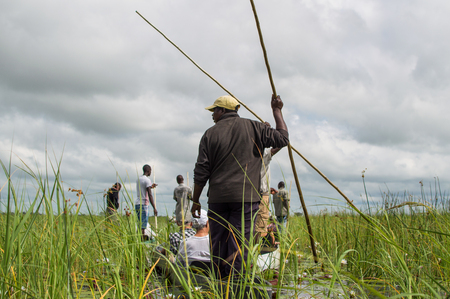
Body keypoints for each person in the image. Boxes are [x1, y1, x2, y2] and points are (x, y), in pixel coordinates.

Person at [192, 94, 289, 278]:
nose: (212, 115)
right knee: (239, 242)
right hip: (246, 199)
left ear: (222, 111)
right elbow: (283, 138)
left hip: (218, 199)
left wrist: (195, 200)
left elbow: (201, 170)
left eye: (214, 111)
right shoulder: (255, 127)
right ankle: (235, 283)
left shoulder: (209, 134)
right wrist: (277, 111)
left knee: (218, 242)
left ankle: (219, 282)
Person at [255, 141, 280, 243]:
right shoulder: (263, 153)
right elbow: (282, 141)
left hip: (251, 191)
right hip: (261, 195)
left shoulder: (247, 151)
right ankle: (253, 254)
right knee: (259, 230)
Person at [136, 164, 158, 241]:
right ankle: (141, 242)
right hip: (144, 204)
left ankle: (139, 240)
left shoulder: (139, 179)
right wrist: (154, 208)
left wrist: (151, 187)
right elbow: (150, 195)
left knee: (139, 223)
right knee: (143, 226)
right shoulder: (147, 180)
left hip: (138, 204)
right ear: (148, 171)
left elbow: (144, 188)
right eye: (150, 171)